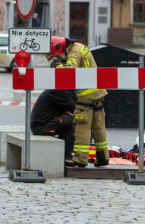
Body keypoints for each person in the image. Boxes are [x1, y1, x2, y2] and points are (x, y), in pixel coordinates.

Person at [46, 36, 109, 168]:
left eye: (57, 56)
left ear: (61, 48)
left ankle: (80, 159)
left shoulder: (74, 53)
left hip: (86, 95)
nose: (58, 58)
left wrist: (58, 66)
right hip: (98, 92)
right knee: (98, 127)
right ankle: (103, 157)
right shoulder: (80, 47)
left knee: (81, 127)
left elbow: (69, 71)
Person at [31, 59, 77, 167]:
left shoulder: (57, 86)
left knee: (66, 121)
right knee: (74, 121)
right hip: (42, 127)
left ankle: (64, 153)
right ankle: (66, 156)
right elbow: (73, 108)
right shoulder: (59, 89)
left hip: (40, 124)